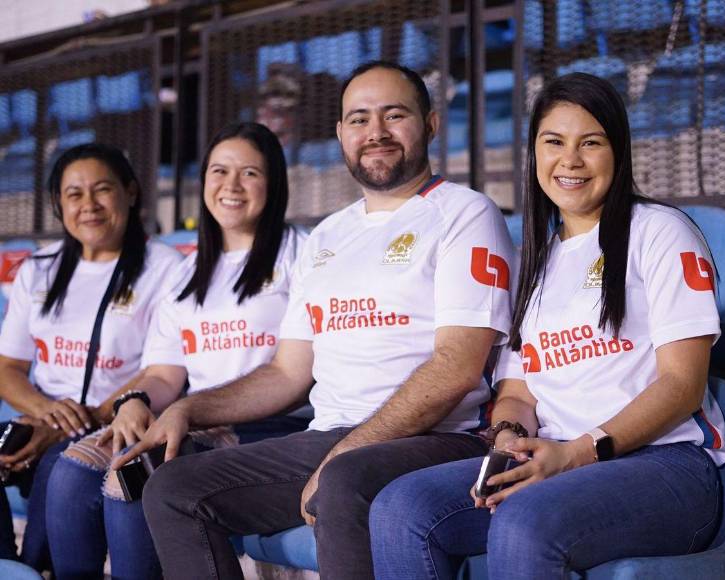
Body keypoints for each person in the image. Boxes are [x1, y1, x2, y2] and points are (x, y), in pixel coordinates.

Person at [113, 61, 515, 580]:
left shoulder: (466, 213)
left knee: (345, 479)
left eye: (394, 115)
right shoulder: (327, 235)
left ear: (431, 124)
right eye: (359, 119)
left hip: (436, 437)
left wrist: (349, 448)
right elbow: (287, 373)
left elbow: (456, 368)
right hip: (331, 438)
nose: (376, 132)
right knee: (174, 489)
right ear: (341, 133)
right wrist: (189, 408)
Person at [369, 72, 725, 579]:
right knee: (401, 509)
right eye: (554, 142)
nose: (571, 160)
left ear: (618, 151)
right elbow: (517, 391)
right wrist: (510, 438)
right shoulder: (534, 262)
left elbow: (682, 384)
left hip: (664, 465)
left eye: (591, 143)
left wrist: (578, 453)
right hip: (557, 461)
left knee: (523, 522)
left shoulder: (661, 232)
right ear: (534, 153)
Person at [44, 123, 309, 580]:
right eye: (219, 171)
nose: (231, 185)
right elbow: (165, 375)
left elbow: (295, 375)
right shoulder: (186, 273)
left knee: (135, 476)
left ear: (275, 182)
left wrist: (186, 411)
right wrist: (135, 401)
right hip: (200, 423)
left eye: (249, 173)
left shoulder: (301, 254)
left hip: (275, 426)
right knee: (73, 470)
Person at [0, 143, 182, 570]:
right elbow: (8, 368)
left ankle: (37, 570)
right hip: (45, 416)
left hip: (112, 422)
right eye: (74, 194)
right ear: (58, 204)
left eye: (102, 189)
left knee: (59, 466)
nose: (89, 205)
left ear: (130, 192)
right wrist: (46, 414)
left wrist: (76, 423)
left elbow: (159, 371)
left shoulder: (166, 268)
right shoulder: (38, 269)